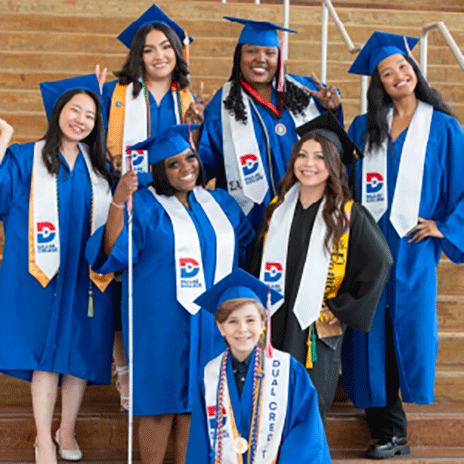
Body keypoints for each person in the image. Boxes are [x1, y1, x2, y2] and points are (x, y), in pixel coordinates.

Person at [86, 125, 254, 464]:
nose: (185, 168)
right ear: (159, 172)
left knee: (200, 402)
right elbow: (113, 252)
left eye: (189, 158)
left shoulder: (221, 203)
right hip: (160, 320)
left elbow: (247, 247)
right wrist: (119, 200)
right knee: (160, 403)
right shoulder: (145, 205)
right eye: (172, 164)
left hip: (211, 323)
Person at [343, 31, 464, 459]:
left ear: (415, 72)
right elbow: (342, 180)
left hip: (413, 248)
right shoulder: (364, 127)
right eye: (387, 71)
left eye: (404, 67)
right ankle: (388, 432)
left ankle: (394, 428)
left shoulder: (444, 127)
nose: (399, 76)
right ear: (378, 82)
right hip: (369, 247)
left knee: (407, 331)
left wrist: (445, 228)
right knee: (369, 334)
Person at [100, 3, 212, 411]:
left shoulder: (188, 99)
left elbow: (195, 158)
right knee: (120, 281)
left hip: (173, 202)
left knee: (158, 287)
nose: (159, 55)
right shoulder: (116, 95)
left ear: (177, 53)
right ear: (138, 56)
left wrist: (197, 123)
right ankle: (124, 366)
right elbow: (102, 148)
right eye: (149, 49)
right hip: (130, 195)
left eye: (166, 47)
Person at [0, 74, 116, 463]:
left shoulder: (101, 171)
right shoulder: (23, 157)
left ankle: (66, 429)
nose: (81, 120)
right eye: (74, 110)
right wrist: (1, 139)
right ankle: (43, 439)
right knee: (46, 356)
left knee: (80, 353)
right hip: (40, 275)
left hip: (85, 277)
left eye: (89, 114)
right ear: (57, 112)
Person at [253, 112, 392, 425]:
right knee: (268, 407)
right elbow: (256, 263)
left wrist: (341, 307)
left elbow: (380, 262)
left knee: (308, 408)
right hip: (274, 322)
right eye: (302, 155)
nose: (308, 164)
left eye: (319, 157)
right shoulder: (277, 209)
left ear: (333, 166)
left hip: (315, 330)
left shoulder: (347, 215)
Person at [198, 16, 343, 232]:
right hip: (250, 220)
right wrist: (194, 132)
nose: (260, 59)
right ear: (239, 56)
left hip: (307, 215)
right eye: (251, 51)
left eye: (269, 53)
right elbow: (206, 163)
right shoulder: (223, 104)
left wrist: (332, 109)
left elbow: (336, 150)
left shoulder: (305, 92)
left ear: (279, 58)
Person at [185, 268, 332, 463]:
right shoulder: (211, 375)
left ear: (264, 323)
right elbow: (200, 440)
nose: (242, 329)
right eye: (232, 321)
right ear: (220, 327)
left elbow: (306, 433)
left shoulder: (288, 371)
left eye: (250, 320)